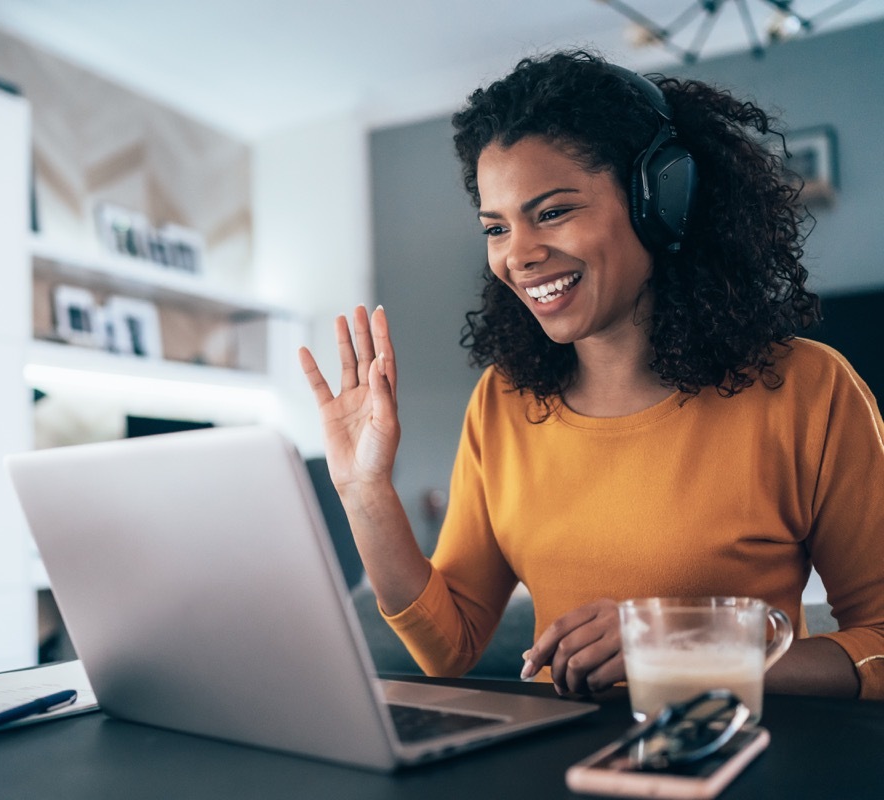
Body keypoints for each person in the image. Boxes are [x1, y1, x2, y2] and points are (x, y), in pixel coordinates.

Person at [298, 50, 884, 701]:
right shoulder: (503, 403)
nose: (518, 255)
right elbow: (448, 648)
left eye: (551, 212)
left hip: (734, 762)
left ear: (661, 200)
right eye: (496, 227)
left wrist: (686, 655)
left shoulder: (809, 391)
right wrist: (364, 489)